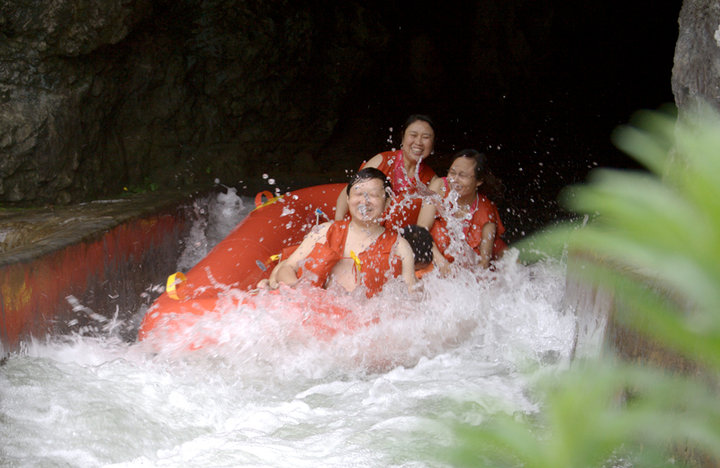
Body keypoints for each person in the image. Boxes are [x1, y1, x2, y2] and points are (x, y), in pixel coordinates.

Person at [270, 167, 417, 297]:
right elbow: (287, 267)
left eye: (373, 195)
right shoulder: (324, 231)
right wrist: (300, 292)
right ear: (348, 199)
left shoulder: (400, 247)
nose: (364, 201)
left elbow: (411, 297)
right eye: (358, 194)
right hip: (315, 310)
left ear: (387, 203)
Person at [334, 114, 439, 229]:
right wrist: (338, 226)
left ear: (433, 144)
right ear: (403, 138)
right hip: (360, 229)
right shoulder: (381, 161)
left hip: (397, 240)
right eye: (413, 135)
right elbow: (348, 192)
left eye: (426, 137)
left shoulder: (433, 182)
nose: (418, 142)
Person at [417, 149, 507, 269]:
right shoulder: (439, 187)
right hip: (432, 262)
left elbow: (483, 264)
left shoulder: (486, 210)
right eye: (452, 173)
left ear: (479, 181)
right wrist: (441, 262)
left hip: (463, 273)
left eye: (462, 175)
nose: (454, 180)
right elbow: (421, 230)